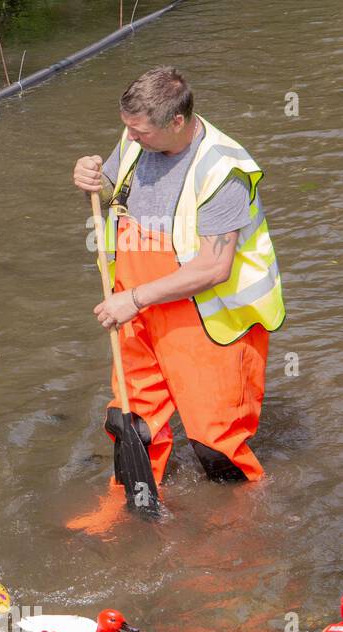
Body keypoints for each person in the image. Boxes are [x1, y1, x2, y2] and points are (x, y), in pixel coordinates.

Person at [70, 66, 284, 505]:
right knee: (131, 417)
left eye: (140, 132)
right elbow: (112, 194)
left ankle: (241, 529)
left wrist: (133, 298)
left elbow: (213, 267)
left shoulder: (223, 171)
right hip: (137, 309)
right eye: (126, 128)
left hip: (208, 319)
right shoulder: (136, 140)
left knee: (214, 439)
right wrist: (90, 179)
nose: (130, 139)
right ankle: (130, 507)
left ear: (177, 122)